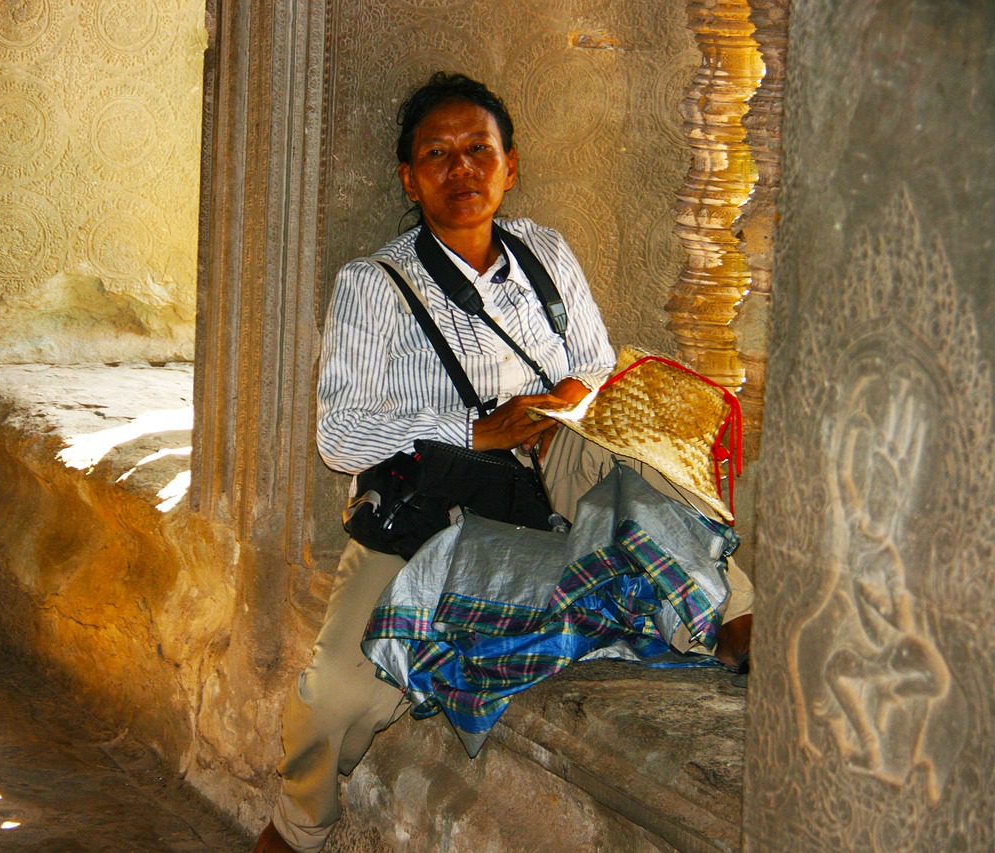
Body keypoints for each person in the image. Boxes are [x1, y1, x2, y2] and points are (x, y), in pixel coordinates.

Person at [254, 72, 749, 853]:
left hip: (553, 481)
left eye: (478, 150)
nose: (462, 170)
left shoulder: (546, 253)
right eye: (438, 155)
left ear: (510, 165)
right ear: (409, 178)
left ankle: (734, 613)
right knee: (337, 695)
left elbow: (596, 370)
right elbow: (340, 438)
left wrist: (563, 412)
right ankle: (293, 831)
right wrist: (475, 430)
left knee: (625, 456)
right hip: (434, 506)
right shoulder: (373, 285)